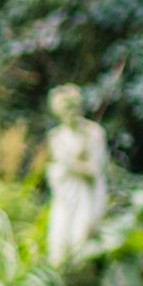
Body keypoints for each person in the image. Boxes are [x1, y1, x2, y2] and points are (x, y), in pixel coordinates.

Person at [43, 86, 109, 265]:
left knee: (80, 242)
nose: (68, 113)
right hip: (64, 196)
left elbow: (96, 171)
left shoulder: (93, 133)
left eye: (71, 107)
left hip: (85, 194)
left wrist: (69, 165)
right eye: (63, 109)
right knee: (59, 243)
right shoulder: (55, 136)